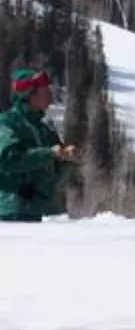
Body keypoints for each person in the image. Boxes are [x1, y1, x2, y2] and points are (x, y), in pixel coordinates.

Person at [0, 68, 78, 221]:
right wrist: (48, 153)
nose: (50, 94)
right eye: (45, 90)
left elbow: (52, 178)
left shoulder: (45, 129)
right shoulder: (7, 123)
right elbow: (8, 160)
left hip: (40, 211)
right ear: (29, 94)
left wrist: (67, 162)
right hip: (12, 210)